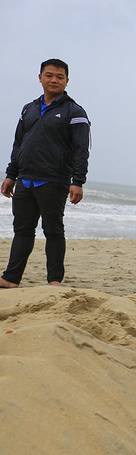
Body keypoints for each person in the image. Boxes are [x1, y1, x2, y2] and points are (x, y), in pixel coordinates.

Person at [0, 59, 90, 289]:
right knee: (22, 230)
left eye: (59, 77)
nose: (54, 80)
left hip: (54, 181)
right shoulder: (28, 109)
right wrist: (11, 175)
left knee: (53, 231)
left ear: (67, 81)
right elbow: (18, 144)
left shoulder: (75, 112)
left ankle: (54, 281)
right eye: (49, 75)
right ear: (39, 77)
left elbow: (81, 149)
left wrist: (77, 181)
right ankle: (11, 278)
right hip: (25, 180)